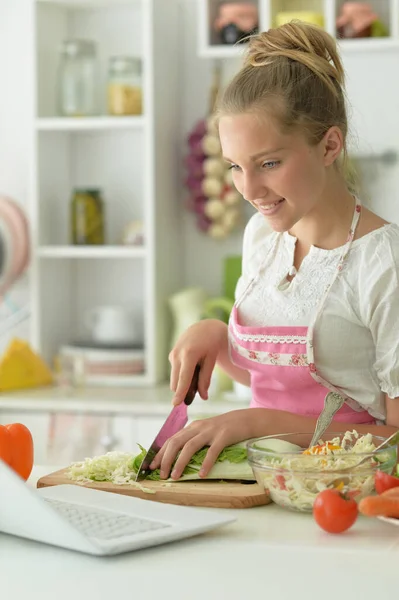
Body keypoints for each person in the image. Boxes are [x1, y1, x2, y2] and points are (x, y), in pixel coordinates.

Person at [151, 21, 399, 481]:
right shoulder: (262, 239)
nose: (249, 189)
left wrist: (261, 424)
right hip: (267, 488)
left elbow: (396, 441)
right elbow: (278, 383)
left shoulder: (383, 262)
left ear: (329, 144)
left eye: (269, 163)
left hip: (350, 504)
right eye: (234, 167)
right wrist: (216, 339)